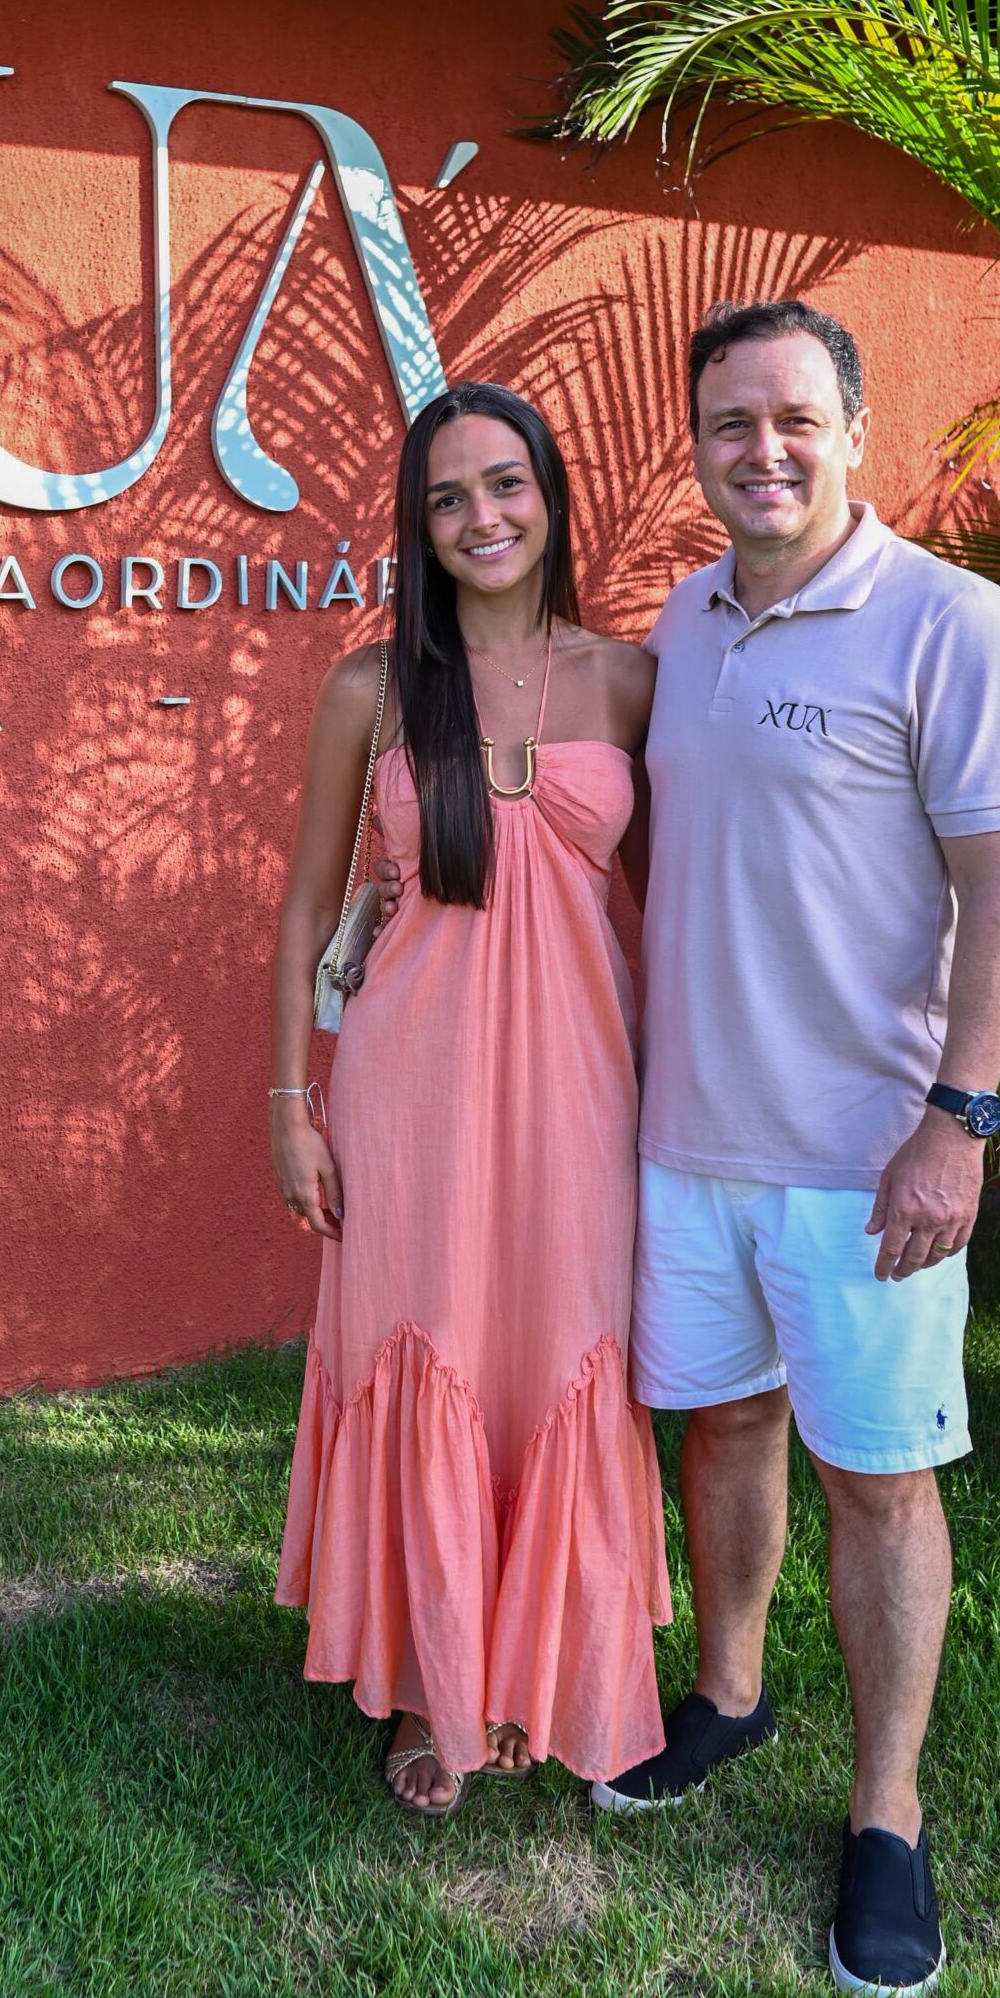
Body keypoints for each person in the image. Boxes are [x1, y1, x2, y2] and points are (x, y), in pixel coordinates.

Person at [589, 300, 1000, 1998]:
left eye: (794, 418)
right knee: (720, 1424)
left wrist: (958, 1120)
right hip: (688, 1138)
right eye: (729, 423)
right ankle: (726, 1697)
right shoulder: (685, 617)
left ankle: (884, 1815)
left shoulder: (947, 622)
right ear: (697, 447)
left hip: (867, 1159)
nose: (762, 450)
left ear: (854, 432)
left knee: (875, 1475)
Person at [268, 381, 672, 1815]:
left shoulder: (629, 681)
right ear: (418, 525)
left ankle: (540, 1668)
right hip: (409, 1088)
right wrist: (290, 1100)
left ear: (549, 497)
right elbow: (307, 907)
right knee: (425, 1341)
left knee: (558, 1347)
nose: (481, 517)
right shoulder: (371, 690)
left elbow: (670, 908)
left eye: (505, 485)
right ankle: (426, 1683)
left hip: (579, 1092)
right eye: (447, 498)